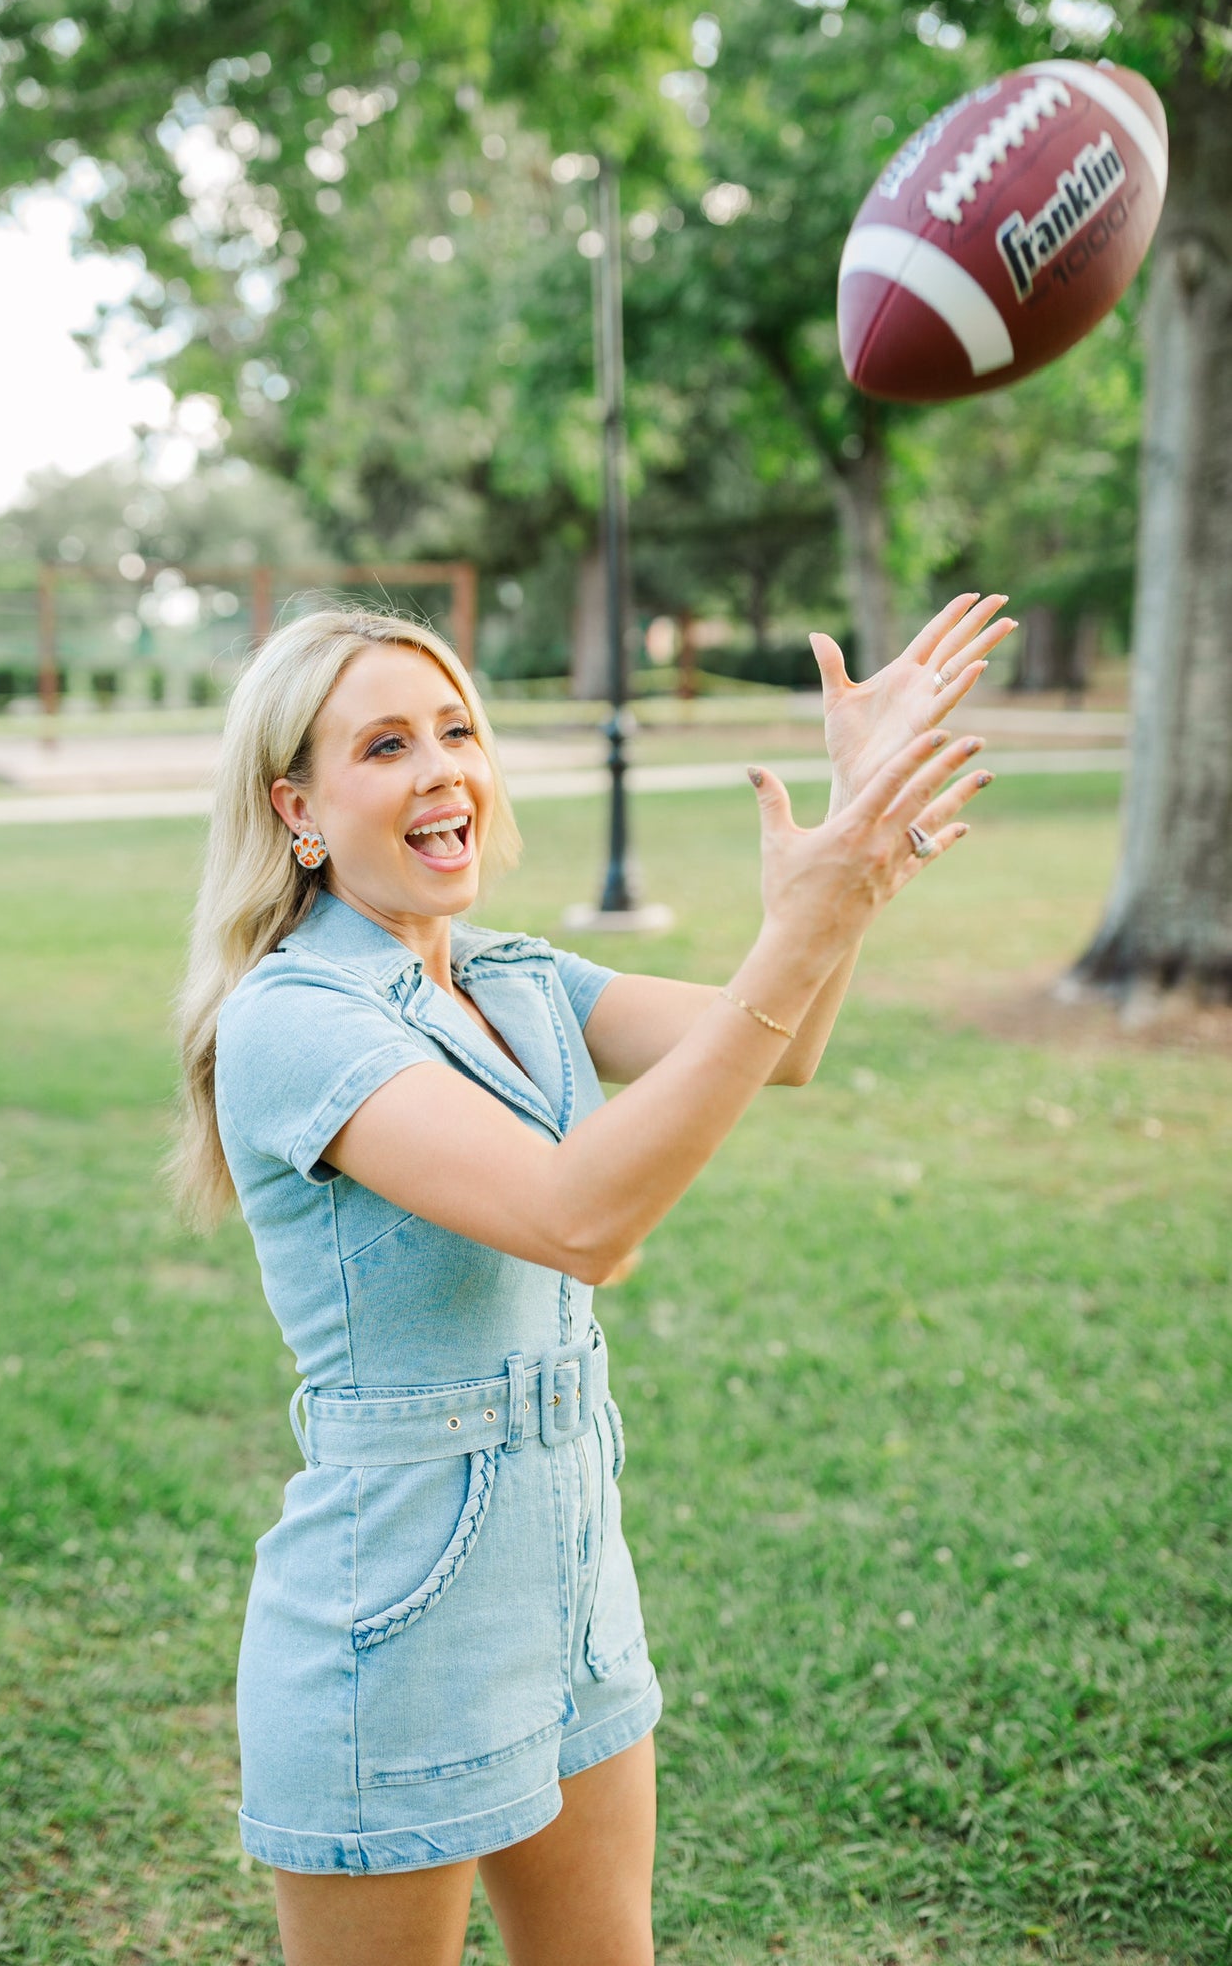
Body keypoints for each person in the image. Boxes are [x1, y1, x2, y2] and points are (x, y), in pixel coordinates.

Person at [172, 593, 1012, 1966]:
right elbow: (581, 1225)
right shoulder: (289, 1020)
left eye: (456, 730)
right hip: (393, 1605)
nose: (441, 767)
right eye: (383, 746)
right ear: (296, 809)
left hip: (565, 1569)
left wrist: (852, 845)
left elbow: (776, 1046)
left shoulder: (511, 977)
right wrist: (806, 918)